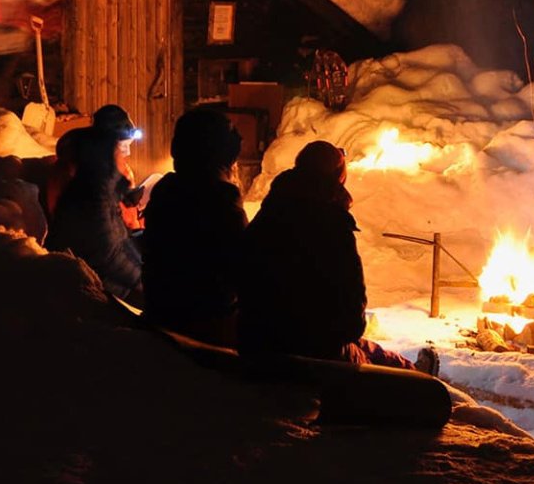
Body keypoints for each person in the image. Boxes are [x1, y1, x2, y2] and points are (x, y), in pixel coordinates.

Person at [237, 140, 436, 373]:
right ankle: (417, 378)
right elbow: (351, 320)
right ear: (337, 178)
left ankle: (412, 369)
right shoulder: (332, 225)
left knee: (368, 348)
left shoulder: (267, 217)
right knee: (375, 366)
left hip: (260, 340)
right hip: (313, 352)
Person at [141, 107, 247, 345]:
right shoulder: (221, 201)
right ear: (225, 157)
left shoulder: (165, 192)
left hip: (160, 312)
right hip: (208, 327)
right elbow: (244, 271)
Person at [46, 125, 144, 308]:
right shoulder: (88, 199)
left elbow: (120, 240)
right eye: (118, 155)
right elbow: (109, 255)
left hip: (112, 273)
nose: (123, 160)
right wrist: (145, 281)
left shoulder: (98, 189)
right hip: (102, 283)